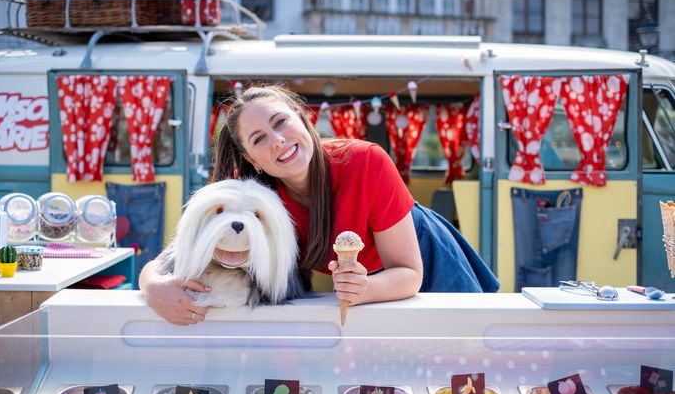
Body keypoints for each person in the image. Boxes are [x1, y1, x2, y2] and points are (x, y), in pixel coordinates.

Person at [139, 85, 499, 325]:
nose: (278, 141)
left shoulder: (366, 162)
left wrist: (367, 289)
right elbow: (179, 249)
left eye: (281, 122)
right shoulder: (250, 193)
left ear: (303, 116)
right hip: (357, 285)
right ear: (252, 160)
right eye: (260, 139)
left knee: (457, 365)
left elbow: (408, 273)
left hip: (423, 260)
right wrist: (152, 285)